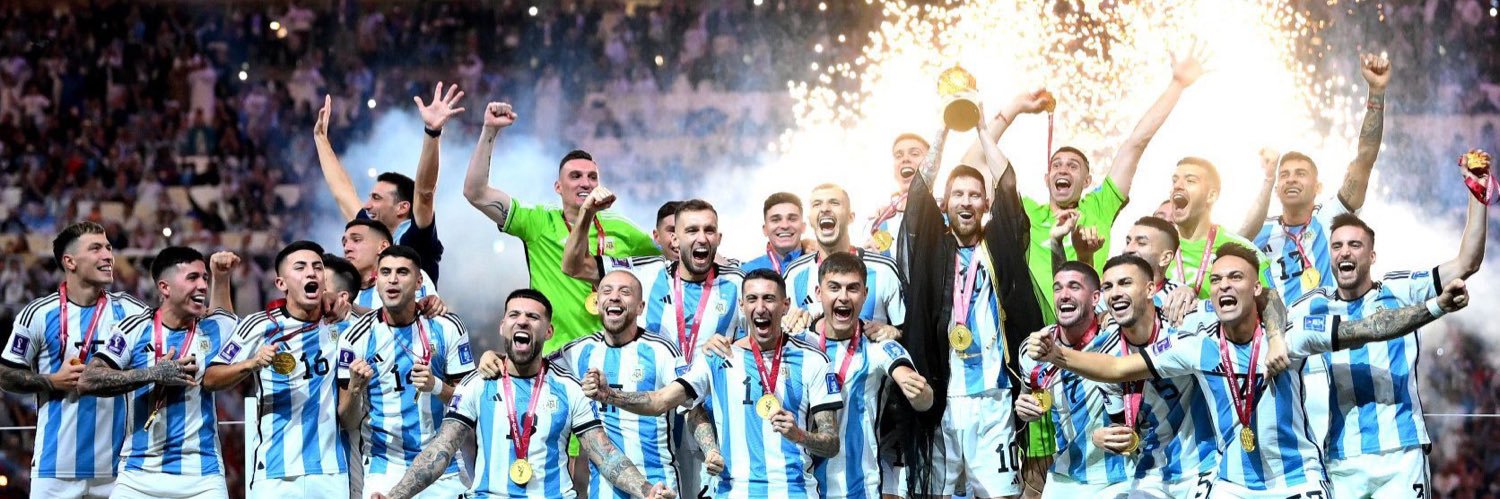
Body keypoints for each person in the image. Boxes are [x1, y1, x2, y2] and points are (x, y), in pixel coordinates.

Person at [1024, 244, 1471, 497]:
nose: (1223, 286)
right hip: (1232, 484)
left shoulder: (1291, 335)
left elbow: (1368, 328)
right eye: (1216, 280)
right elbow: (1118, 366)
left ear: (1256, 287)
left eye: (1235, 278)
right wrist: (1056, 356)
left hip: (1297, 481)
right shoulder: (1198, 344)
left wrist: (1434, 306)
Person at [961, 46, 1206, 321]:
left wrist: (1177, 85)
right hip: (1034, 331)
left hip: (1092, 330)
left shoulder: (1099, 206)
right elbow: (970, 168)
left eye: (1073, 166)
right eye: (1056, 165)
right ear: (1046, 179)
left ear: (1087, 181)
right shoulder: (1026, 212)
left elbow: (1136, 143)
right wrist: (1014, 108)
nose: (1062, 169)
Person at [369, 289, 672, 499]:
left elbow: (604, 454)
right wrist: (396, 495)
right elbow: (441, 449)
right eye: (514, 314)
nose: (523, 321)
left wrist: (646, 490)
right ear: (503, 327)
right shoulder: (477, 384)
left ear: (549, 331)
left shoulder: (570, 388)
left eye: (533, 317)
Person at [1298, 166, 1487, 498]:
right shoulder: (1313, 305)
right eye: (1337, 246)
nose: (1344, 252)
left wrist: (1477, 194)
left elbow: (1466, 263)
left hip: (1402, 453)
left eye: (1354, 245)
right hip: (1342, 458)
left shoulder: (1400, 289)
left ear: (1372, 256)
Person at [1235, 55, 1390, 449]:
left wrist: (1375, 94)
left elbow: (1364, 160)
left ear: (1317, 186)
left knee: (1329, 447)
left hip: (1324, 348)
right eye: (1284, 175)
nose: (1291, 179)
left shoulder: (1331, 217)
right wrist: (1266, 176)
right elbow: (1229, 246)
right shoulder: (1261, 231)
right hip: (1274, 348)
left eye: (1300, 173)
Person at [582, 269, 844, 497]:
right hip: (733, 491)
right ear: (741, 305)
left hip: (794, 490)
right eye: (752, 299)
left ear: (785, 305)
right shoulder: (718, 357)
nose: (760, 307)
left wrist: (799, 435)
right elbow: (660, 401)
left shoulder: (813, 360)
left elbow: (831, 444)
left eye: (769, 298)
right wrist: (609, 395)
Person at [897, 99, 1046, 499]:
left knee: (1000, 495)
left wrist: (981, 128)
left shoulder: (999, 245)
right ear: (945, 204)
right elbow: (918, 193)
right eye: (958, 194)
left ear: (985, 204)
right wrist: (945, 128)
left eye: (975, 195)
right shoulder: (932, 248)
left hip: (994, 398)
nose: (966, 201)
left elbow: (1008, 184)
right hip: (941, 397)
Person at [560, 196, 742, 496]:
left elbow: (768, 329)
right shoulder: (644, 272)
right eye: (692, 230)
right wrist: (587, 213)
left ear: (718, 237)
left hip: (710, 420)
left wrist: (800, 316)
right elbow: (572, 265)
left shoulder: (738, 282)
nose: (701, 238)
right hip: (652, 419)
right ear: (675, 239)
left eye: (709, 230)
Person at [462, 101, 660, 350]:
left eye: (592, 177)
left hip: (609, 356)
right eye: (575, 176)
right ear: (558, 187)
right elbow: (476, 193)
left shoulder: (622, 229)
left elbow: (669, 261)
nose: (585, 183)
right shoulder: (538, 222)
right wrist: (489, 131)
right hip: (556, 356)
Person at [0, 221, 149, 499]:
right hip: (54, 470)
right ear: (70, 262)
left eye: (108, 248)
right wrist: (52, 381)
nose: (108, 255)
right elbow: (5, 375)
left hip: (121, 471)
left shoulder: (133, 312)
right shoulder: (38, 314)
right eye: (96, 248)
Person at [77, 247, 240, 499]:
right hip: (138, 474)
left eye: (204, 278)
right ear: (165, 287)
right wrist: (153, 373)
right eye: (192, 278)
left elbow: (226, 320)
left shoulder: (215, 327)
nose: (202, 286)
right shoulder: (134, 328)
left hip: (202, 474)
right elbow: (87, 380)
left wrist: (221, 276)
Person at [204, 241, 350, 497]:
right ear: (281, 283)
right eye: (300, 267)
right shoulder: (259, 325)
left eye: (317, 267)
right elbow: (211, 378)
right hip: (273, 470)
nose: (311, 273)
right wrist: (251, 363)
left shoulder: (342, 323)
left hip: (330, 471)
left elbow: (382, 318)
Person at [527, 270, 684, 499]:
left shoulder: (661, 350)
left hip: (660, 484)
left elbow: (691, 406)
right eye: (607, 291)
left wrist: (710, 451)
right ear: (597, 303)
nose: (614, 297)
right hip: (604, 488)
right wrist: (495, 358)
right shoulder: (578, 351)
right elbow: (530, 367)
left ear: (640, 307)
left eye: (625, 292)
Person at [337, 246, 476, 499]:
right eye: (385, 272)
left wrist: (436, 386)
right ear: (377, 281)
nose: (393, 279)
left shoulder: (447, 326)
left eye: (402, 272)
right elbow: (347, 420)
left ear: (419, 281)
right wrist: (355, 389)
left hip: (443, 466)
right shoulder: (355, 338)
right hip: (384, 467)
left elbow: (470, 403)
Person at [793, 252, 934, 499]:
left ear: (865, 294)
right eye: (834, 287)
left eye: (853, 288)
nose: (843, 297)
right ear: (818, 293)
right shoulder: (798, 344)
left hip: (860, 487)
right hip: (802, 486)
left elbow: (922, 397)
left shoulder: (879, 345)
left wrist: (919, 393)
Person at [314, 84, 462, 282]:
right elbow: (342, 192)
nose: (367, 205)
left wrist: (432, 133)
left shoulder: (414, 237)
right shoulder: (373, 234)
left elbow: (425, 192)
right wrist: (320, 139)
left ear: (402, 207)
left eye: (376, 198)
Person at [1014, 262, 1126, 497]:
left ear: (1096, 298)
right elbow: (1028, 398)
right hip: (1065, 474)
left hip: (1121, 475)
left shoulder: (1117, 337)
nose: (1064, 295)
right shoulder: (1034, 347)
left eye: (1074, 287)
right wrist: (1024, 408)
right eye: (1058, 288)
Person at [782, 184, 904, 325]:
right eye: (817, 204)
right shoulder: (794, 273)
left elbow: (908, 329)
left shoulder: (884, 270)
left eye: (834, 203)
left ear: (851, 217)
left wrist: (894, 332)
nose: (824, 209)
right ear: (810, 220)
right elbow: (778, 328)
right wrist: (787, 326)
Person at [1164, 156, 1272, 299]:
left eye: (1190, 181)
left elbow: (1274, 311)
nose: (1178, 186)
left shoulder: (1245, 251)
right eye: (1174, 181)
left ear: (1211, 196)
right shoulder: (1157, 248)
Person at [341, 219, 438, 312]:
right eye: (344, 243)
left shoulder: (410, 275)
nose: (346, 248)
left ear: (383, 247)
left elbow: (412, 316)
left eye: (356, 240)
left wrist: (353, 308)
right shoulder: (340, 292)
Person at [862, 133, 928, 264]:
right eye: (898, 155)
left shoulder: (946, 219)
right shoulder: (876, 224)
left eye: (915, 154)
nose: (905, 159)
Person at [1117, 216, 1197, 324]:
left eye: (1141, 243)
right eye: (1128, 242)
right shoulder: (1107, 293)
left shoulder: (1180, 300)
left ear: (1165, 258)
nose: (1127, 249)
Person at [740, 192, 806, 273]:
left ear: (803, 227)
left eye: (792, 219)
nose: (785, 225)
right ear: (765, 230)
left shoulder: (817, 263)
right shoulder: (746, 272)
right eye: (775, 220)